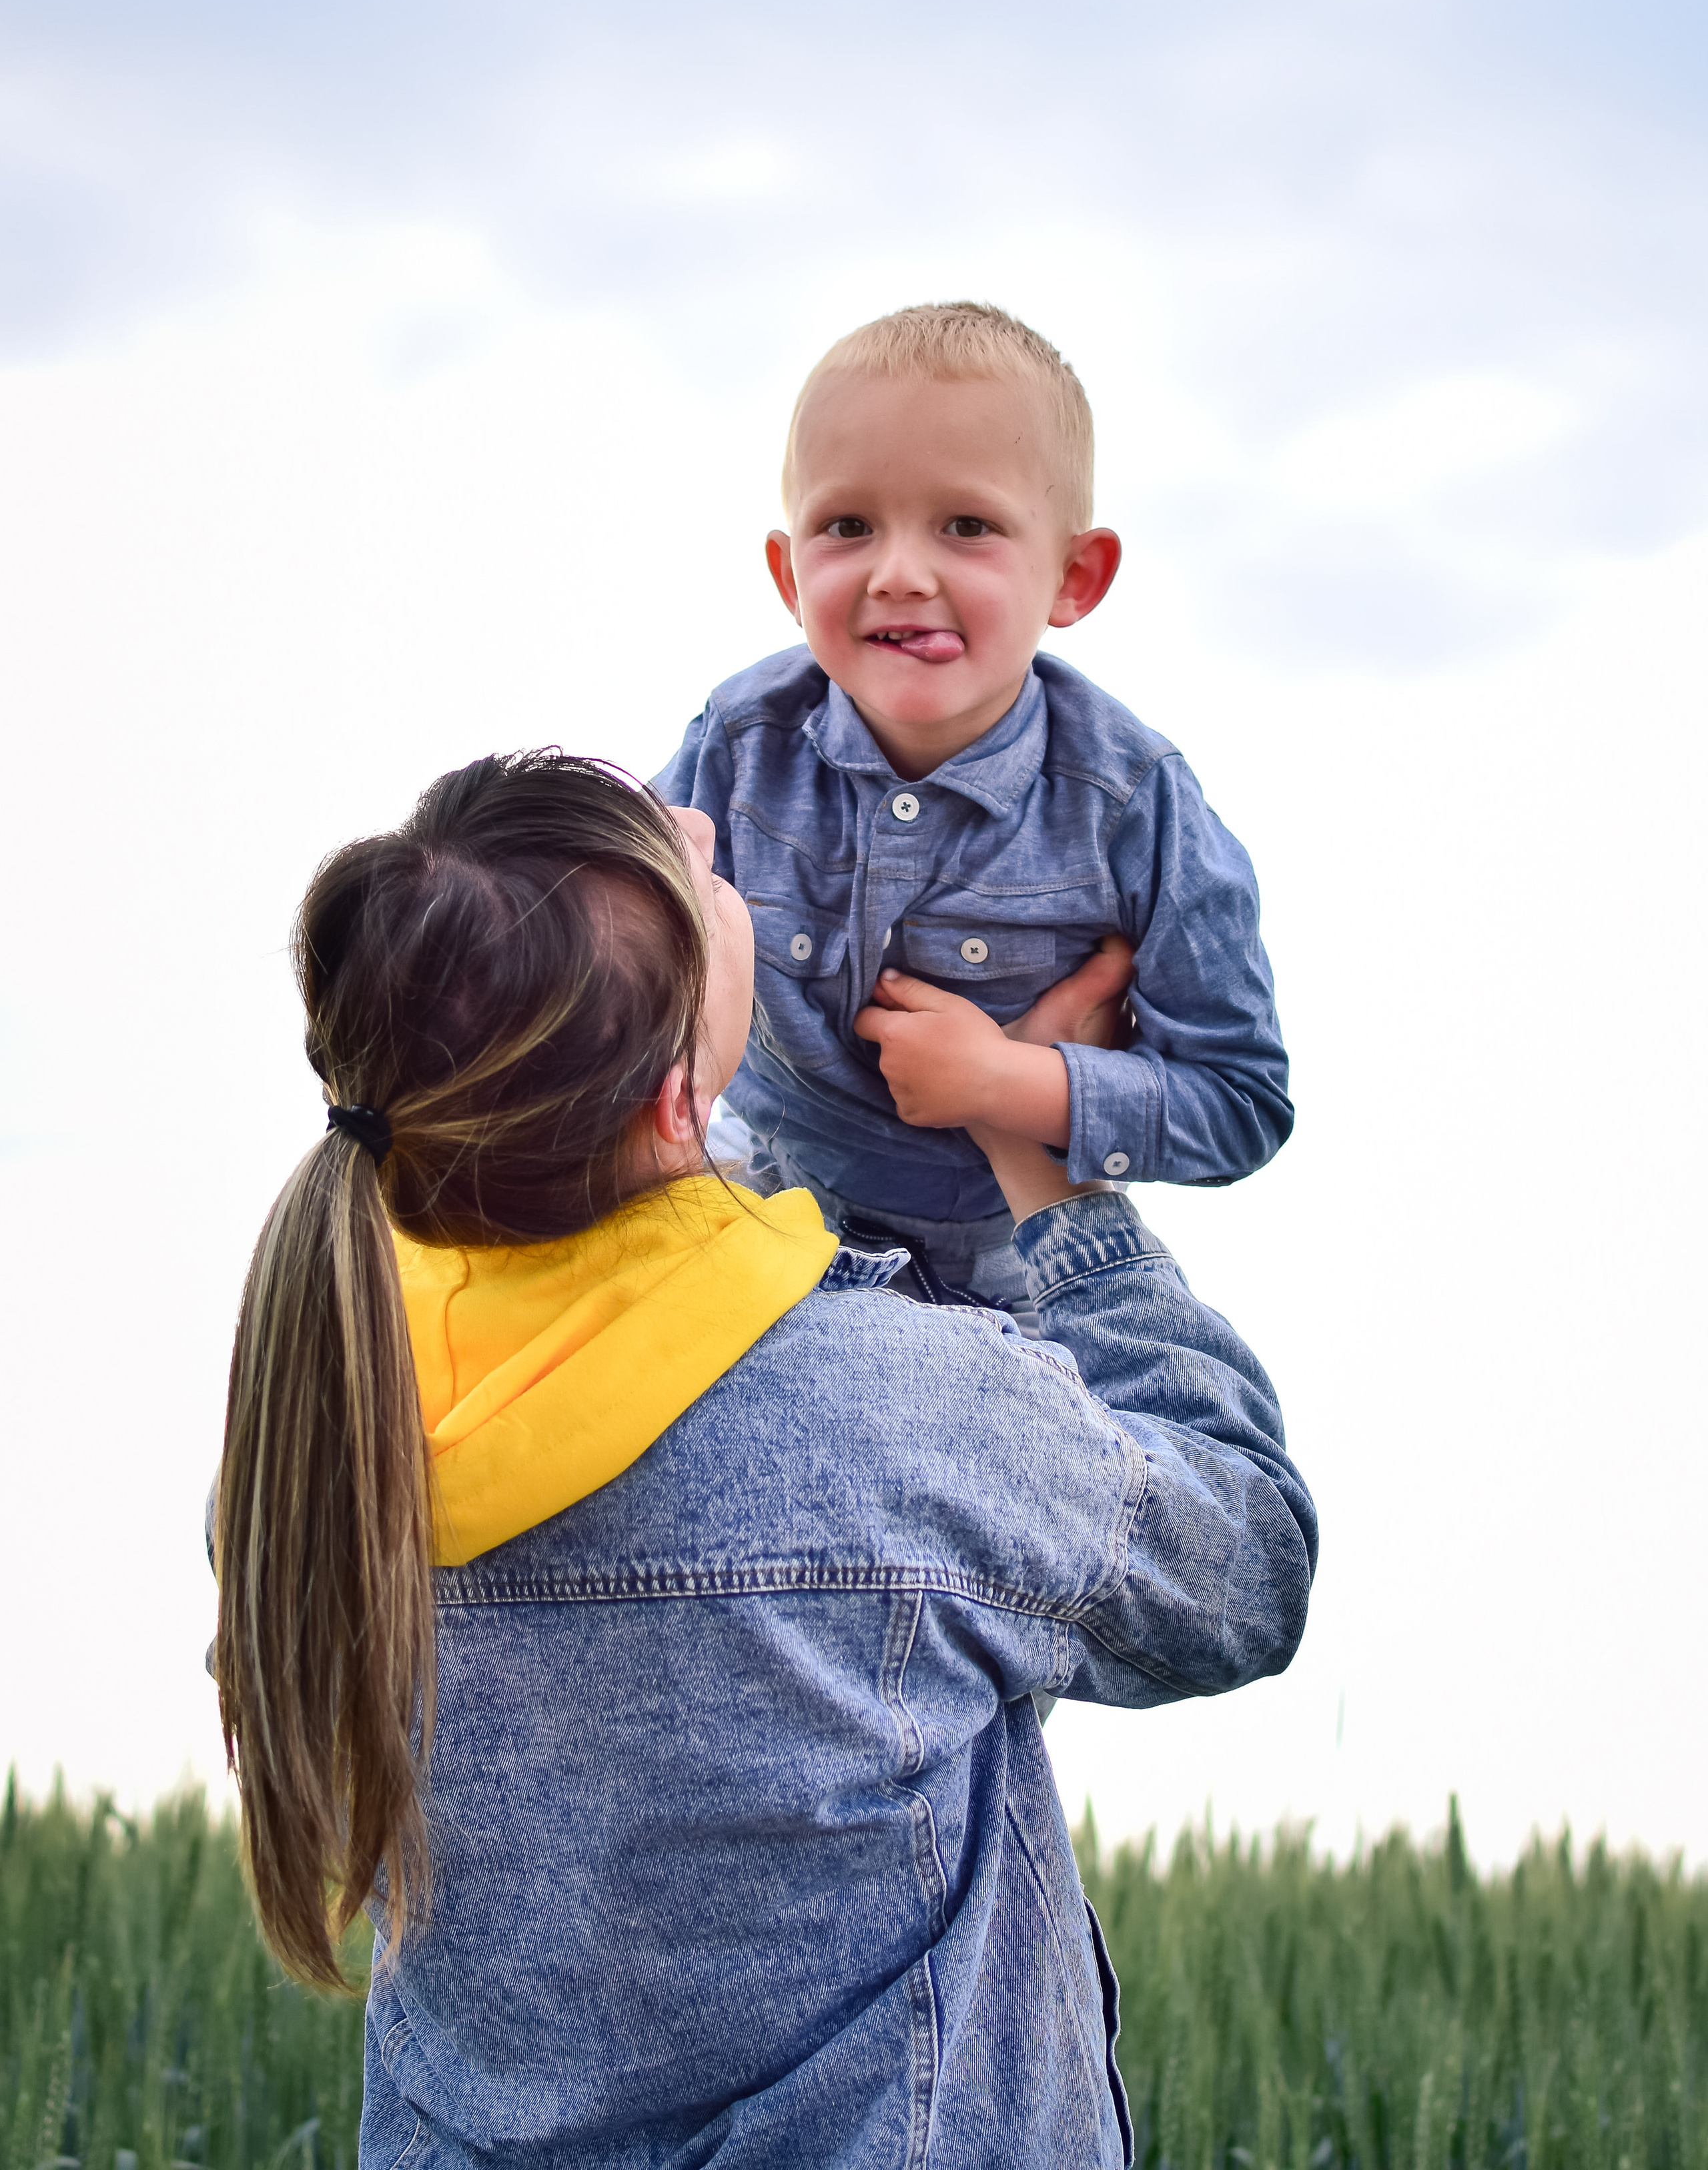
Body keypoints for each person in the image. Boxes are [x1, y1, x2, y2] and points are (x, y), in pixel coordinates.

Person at [213, 748, 1317, 2170]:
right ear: (677, 1102)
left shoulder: (316, 1433)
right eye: (691, 873)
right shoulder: (899, 1414)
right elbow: (1242, 1568)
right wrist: (1054, 1172)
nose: (700, 822)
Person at [653, 300, 1292, 1313]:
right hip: (747, 1195)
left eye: (967, 526)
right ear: (788, 573)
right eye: (848, 526)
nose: (901, 574)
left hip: (1001, 1276)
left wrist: (1007, 1085)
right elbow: (623, 954)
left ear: (1074, 576)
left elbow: (1241, 1102)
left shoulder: (1135, 808)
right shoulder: (741, 741)